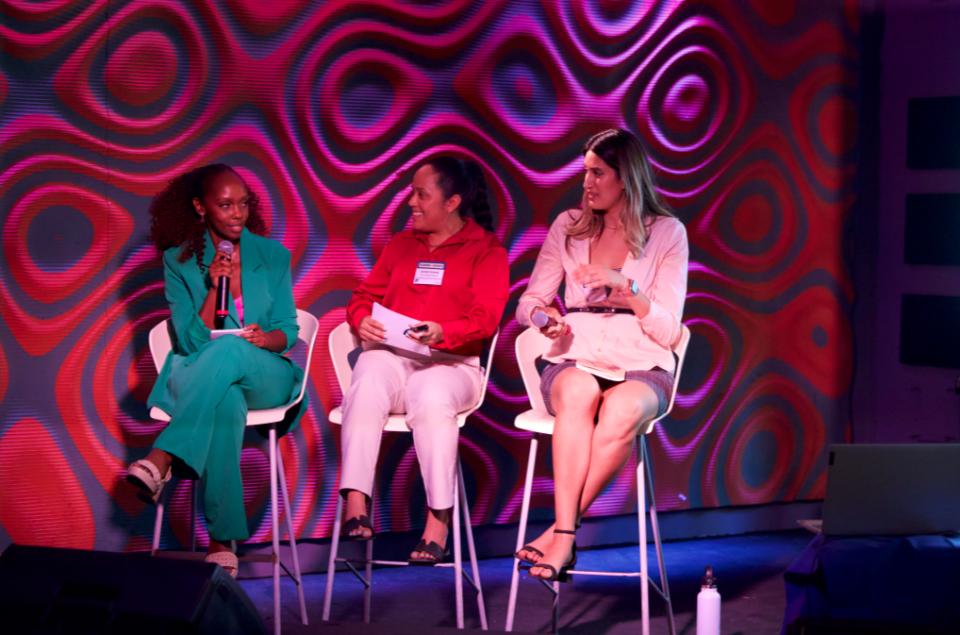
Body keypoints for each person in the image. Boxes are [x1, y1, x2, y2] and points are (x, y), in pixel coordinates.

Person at [514, 129, 688, 581]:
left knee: (622, 410)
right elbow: (529, 303)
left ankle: (559, 533)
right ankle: (565, 536)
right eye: (586, 173)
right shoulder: (569, 227)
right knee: (579, 393)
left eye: (598, 173)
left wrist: (626, 287)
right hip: (576, 354)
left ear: (626, 178)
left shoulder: (667, 232)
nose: (586, 183)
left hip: (642, 361)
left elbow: (669, 330)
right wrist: (543, 319)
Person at [126, 163, 306, 578]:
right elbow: (191, 343)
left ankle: (162, 456)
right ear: (200, 207)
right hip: (212, 380)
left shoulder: (272, 256)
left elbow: (288, 330)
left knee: (231, 352)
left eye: (243, 204)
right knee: (225, 401)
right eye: (225, 205)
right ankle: (222, 542)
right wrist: (212, 289)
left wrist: (265, 339)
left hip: (268, 374)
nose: (237, 214)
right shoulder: (179, 261)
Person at [339, 156, 509, 564]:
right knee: (368, 371)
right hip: (396, 358)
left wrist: (442, 331)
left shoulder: (486, 250)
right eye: (411, 193)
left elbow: (486, 319)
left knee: (431, 394)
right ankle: (356, 500)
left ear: (452, 202)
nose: (411, 202)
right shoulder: (401, 245)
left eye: (421, 195)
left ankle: (438, 521)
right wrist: (362, 320)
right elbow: (363, 296)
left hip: (452, 365)